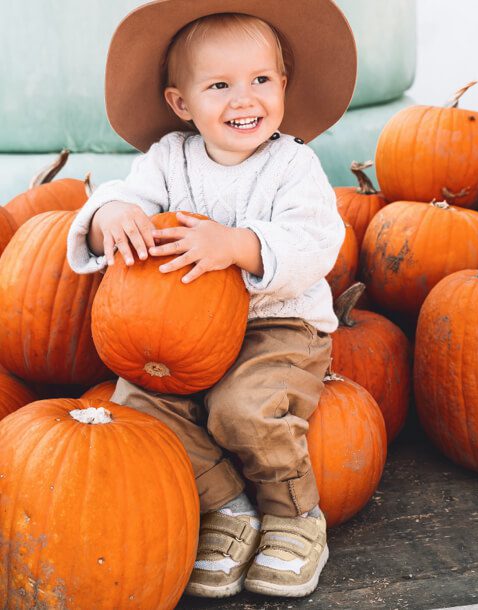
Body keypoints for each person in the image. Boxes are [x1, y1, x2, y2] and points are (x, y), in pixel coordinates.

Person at [66, 0, 357, 600]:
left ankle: (292, 514)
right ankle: (226, 506)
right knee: (141, 408)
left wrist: (240, 245)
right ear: (182, 102)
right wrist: (110, 215)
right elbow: (128, 200)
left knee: (242, 407)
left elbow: (315, 242)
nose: (243, 99)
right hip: (183, 335)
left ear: (282, 86)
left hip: (276, 325)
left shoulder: (293, 164)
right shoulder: (169, 159)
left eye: (260, 81)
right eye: (220, 85)